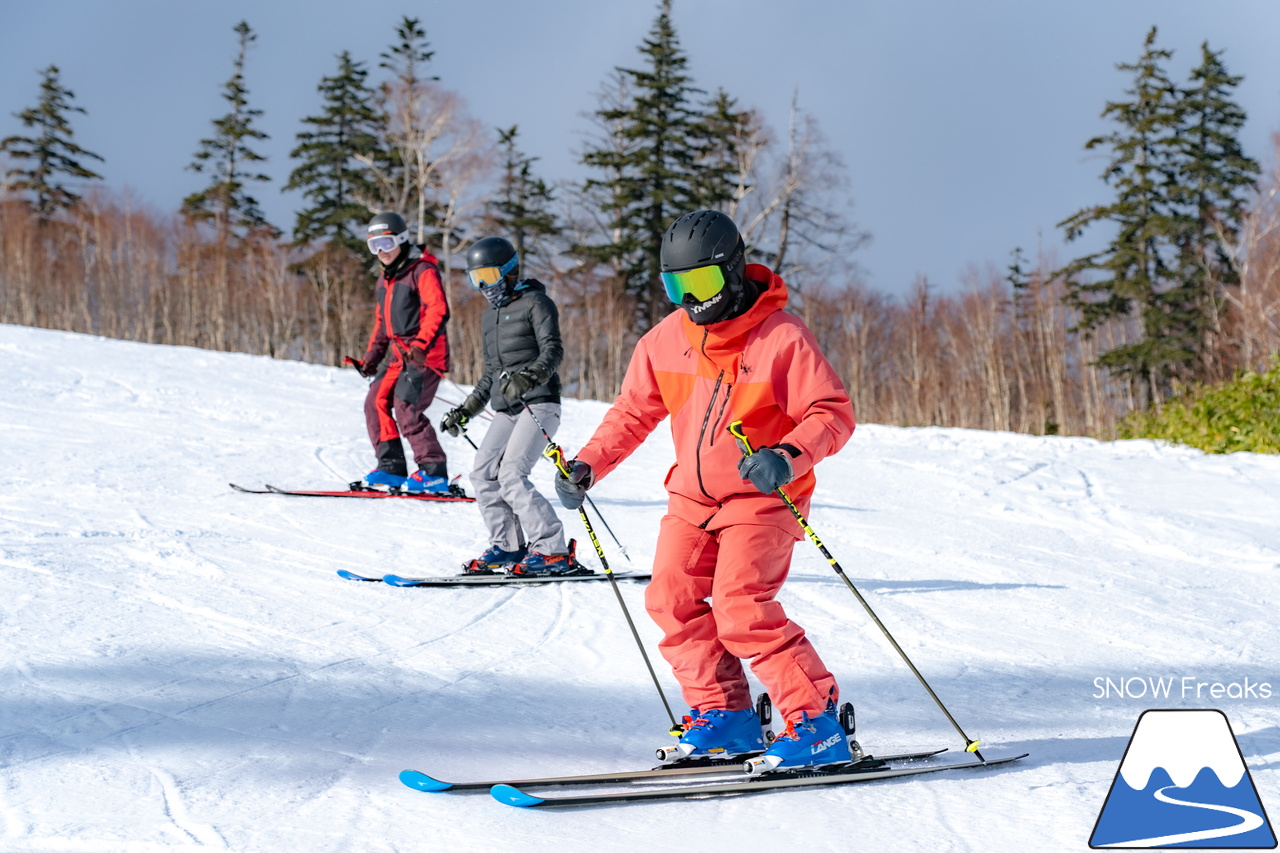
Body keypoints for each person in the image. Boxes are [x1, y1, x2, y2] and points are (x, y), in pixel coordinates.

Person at [553, 210, 856, 772]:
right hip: (692, 500)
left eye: (703, 283)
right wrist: (589, 463)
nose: (691, 298)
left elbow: (832, 412)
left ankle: (817, 723)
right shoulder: (667, 339)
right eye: (676, 286)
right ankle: (726, 716)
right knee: (670, 600)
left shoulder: (781, 338)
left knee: (742, 608)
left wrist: (786, 456)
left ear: (734, 272)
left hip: (761, 498)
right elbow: (633, 411)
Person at [440, 237, 584, 576]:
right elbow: (490, 373)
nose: (484, 287)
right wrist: (466, 410)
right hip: (507, 408)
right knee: (482, 473)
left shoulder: (537, 303)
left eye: (488, 276)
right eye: (476, 280)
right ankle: (507, 546)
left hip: (540, 403)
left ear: (508, 271)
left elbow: (553, 350)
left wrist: (529, 378)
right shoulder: (489, 318)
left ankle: (552, 551)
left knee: (511, 475)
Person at [348, 212, 451, 494]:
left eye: (386, 243)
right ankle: (391, 467)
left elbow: (438, 310)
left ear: (402, 240)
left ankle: (433, 471)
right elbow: (382, 323)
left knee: (407, 406)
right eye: (374, 246)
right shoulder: (385, 280)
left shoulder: (422, 271)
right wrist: (371, 357)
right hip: (397, 357)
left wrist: (420, 346)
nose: (381, 251)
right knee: (375, 402)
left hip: (425, 356)